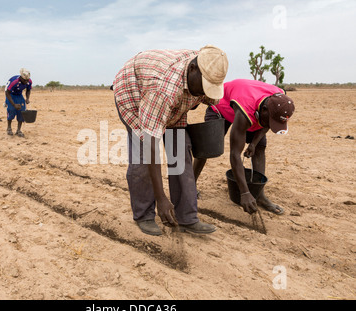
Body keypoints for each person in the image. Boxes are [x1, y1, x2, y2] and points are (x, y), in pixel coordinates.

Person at [113, 45, 229, 236]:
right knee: (142, 156)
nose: (204, 92)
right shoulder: (162, 89)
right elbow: (151, 144)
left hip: (176, 103)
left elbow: (209, 100)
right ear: (192, 69)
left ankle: (187, 217)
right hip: (133, 93)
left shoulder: (208, 68)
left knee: (181, 154)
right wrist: (161, 198)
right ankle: (144, 215)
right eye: (204, 86)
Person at [193, 79, 295, 215]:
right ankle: (190, 186)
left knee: (260, 148)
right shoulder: (245, 109)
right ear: (264, 110)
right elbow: (235, 154)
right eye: (270, 121)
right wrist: (245, 193)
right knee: (207, 148)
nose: (270, 126)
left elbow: (267, 125)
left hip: (252, 110)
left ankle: (259, 195)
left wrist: (253, 143)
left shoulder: (280, 100)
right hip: (221, 108)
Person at [4, 68, 32, 137]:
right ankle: (9, 128)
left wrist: (27, 98)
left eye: (27, 80)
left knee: (22, 112)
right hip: (11, 95)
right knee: (11, 110)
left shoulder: (29, 81)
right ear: (21, 78)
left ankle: (18, 130)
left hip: (19, 95)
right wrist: (13, 104)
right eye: (25, 80)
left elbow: (28, 90)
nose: (26, 82)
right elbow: (7, 92)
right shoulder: (14, 81)